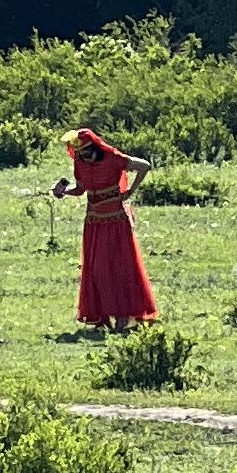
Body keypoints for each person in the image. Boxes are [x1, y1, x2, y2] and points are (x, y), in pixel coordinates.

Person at [54, 127, 156, 331]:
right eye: (80, 154)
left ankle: (123, 316)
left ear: (96, 148)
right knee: (97, 269)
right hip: (94, 222)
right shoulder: (80, 163)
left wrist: (128, 193)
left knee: (120, 267)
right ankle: (103, 315)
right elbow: (81, 189)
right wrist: (63, 191)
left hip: (116, 221)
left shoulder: (112, 158)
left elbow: (143, 166)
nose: (84, 158)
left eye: (87, 153)